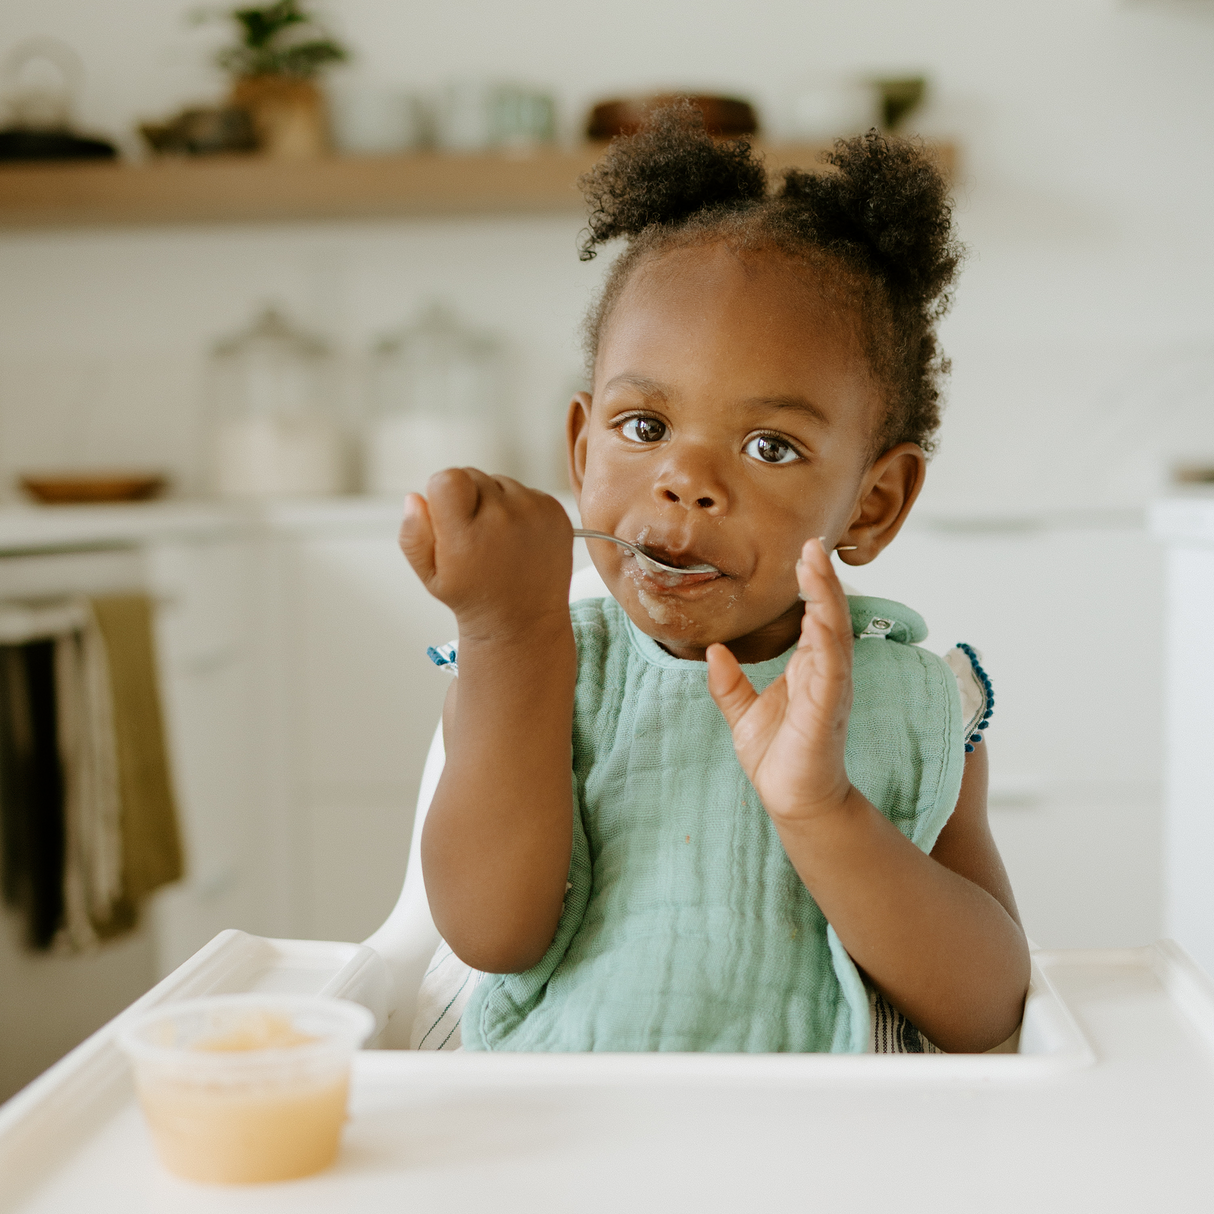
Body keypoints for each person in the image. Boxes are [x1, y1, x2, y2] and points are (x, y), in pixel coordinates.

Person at [399, 103, 1029, 1054]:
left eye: (771, 446)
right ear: (581, 449)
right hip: (554, 1133)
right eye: (644, 427)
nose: (685, 480)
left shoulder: (914, 705)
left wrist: (822, 811)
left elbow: (986, 1009)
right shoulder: (536, 663)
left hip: (828, 1152)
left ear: (873, 503)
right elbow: (494, 933)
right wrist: (510, 635)